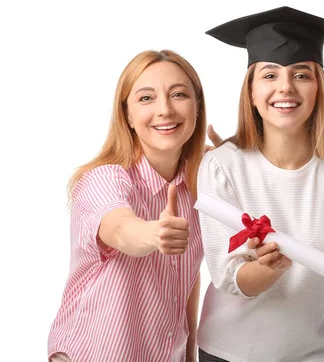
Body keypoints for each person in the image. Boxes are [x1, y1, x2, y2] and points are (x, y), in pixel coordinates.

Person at [195, 6, 324, 362]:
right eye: (269, 75)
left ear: (320, 87)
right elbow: (229, 277)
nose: (285, 87)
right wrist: (265, 270)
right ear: (251, 92)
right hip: (229, 352)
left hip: (318, 353)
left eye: (301, 75)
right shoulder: (222, 166)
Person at [48, 50, 206, 362]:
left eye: (179, 94)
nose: (165, 109)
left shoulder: (196, 186)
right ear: (128, 116)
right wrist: (155, 234)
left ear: (197, 108)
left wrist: (190, 355)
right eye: (146, 98)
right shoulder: (103, 179)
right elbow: (121, 230)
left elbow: (186, 276)